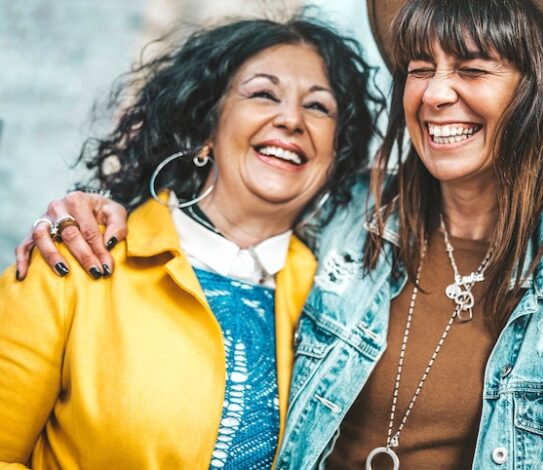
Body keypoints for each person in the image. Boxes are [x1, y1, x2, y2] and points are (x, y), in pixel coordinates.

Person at [15, 0, 543, 468]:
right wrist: (97, 211)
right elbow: (226, 206)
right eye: (419, 69)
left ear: (541, 94)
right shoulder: (340, 217)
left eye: (472, 69)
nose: (437, 94)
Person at [0, 18, 381, 469]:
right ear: (206, 129)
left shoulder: (337, 306)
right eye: (263, 94)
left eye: (318, 107)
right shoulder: (77, 258)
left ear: (335, 156)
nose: (291, 119)